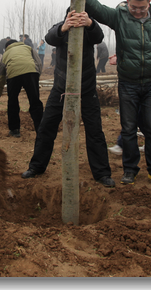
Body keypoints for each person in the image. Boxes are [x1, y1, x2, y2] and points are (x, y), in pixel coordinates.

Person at [68, 0, 151, 185]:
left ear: (149, 3)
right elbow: (98, 9)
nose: (138, 11)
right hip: (128, 83)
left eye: (142, 8)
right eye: (134, 7)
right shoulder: (120, 16)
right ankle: (130, 170)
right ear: (128, 2)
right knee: (128, 128)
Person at [21, 10, 114, 187]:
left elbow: (99, 36)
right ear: (68, 16)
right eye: (73, 17)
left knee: (94, 130)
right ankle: (36, 167)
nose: (76, 20)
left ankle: (102, 173)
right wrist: (63, 27)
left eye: (81, 17)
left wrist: (90, 23)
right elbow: (49, 37)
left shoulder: (89, 29)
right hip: (61, 87)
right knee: (46, 126)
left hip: (86, 88)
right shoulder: (61, 28)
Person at [0, 39, 43, 137]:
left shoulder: (6, 54)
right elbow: (38, 63)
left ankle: (14, 130)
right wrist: (36, 77)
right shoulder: (28, 48)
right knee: (35, 102)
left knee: (12, 102)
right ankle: (41, 129)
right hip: (31, 72)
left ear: (7, 47)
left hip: (13, 75)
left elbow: (1, 74)